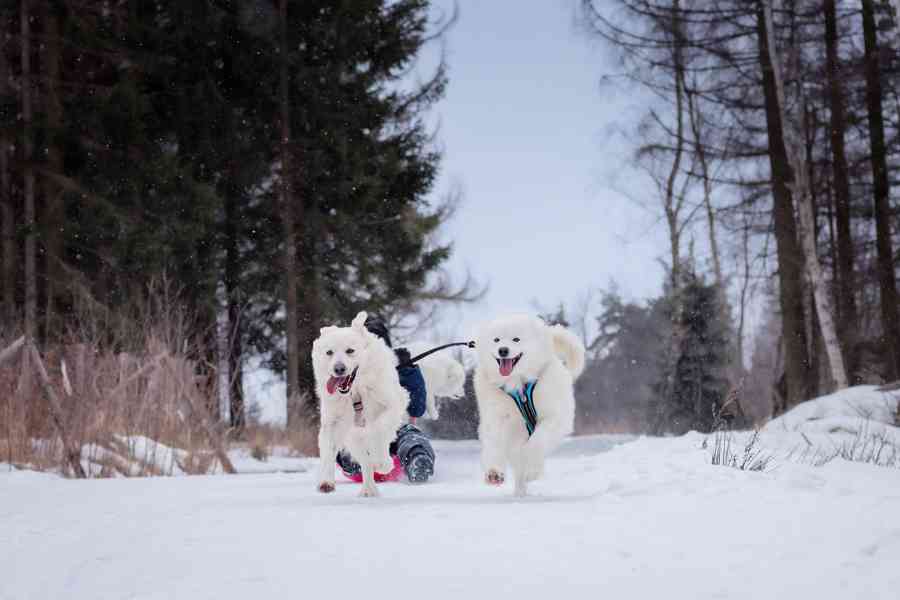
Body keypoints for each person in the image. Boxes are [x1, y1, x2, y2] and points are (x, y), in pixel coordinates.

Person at [335, 314, 436, 483]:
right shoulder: (347, 372)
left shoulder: (397, 371)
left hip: (392, 441)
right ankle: (354, 461)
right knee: (347, 433)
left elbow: (417, 409)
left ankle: (417, 461)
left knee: (409, 433)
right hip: (359, 439)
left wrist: (409, 372)